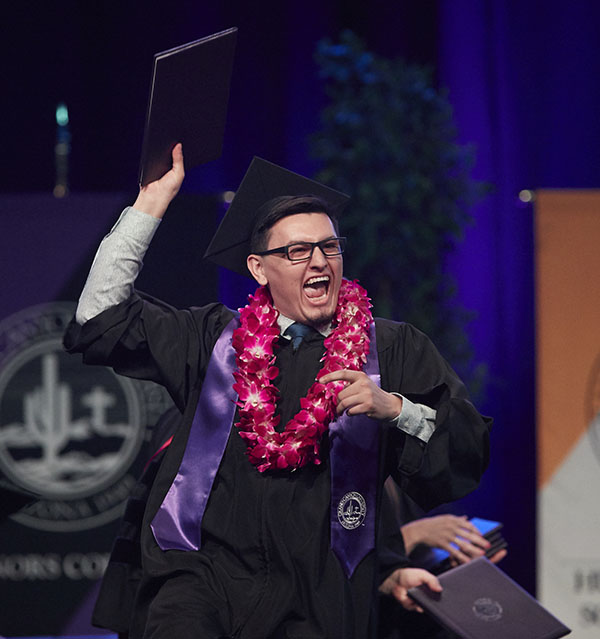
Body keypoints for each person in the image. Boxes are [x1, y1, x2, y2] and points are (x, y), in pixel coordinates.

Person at [64, 144, 491, 639]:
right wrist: (150, 204)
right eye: (296, 251)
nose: (319, 261)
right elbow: (99, 316)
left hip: (319, 591)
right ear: (258, 269)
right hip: (200, 576)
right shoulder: (212, 339)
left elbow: (465, 450)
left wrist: (394, 407)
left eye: (329, 247)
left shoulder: (391, 349)